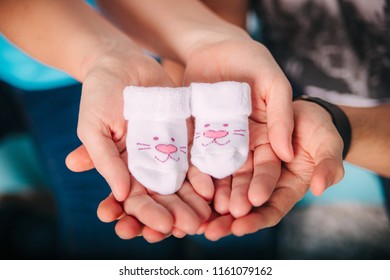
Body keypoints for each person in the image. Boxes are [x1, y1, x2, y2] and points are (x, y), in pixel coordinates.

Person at [74, 0, 390, 254]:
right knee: (223, 224)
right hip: (267, 100)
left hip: (305, 117)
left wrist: (343, 126)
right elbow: (220, 9)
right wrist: (189, 75)